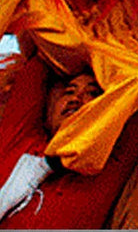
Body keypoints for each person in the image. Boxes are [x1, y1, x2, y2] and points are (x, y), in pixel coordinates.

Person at [0, 71, 102, 220]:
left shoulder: (106, 165)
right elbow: (36, 69)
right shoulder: (21, 141)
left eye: (92, 93)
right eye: (69, 92)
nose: (75, 98)